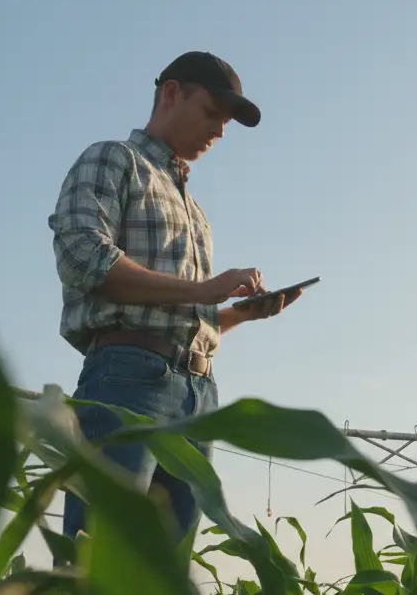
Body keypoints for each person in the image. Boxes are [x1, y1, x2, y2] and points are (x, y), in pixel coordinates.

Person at [47, 51, 303, 546]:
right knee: (99, 558)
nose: (221, 132)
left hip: (198, 394)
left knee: (165, 572)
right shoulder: (113, 159)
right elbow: (81, 256)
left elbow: (181, 316)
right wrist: (200, 290)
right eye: (213, 113)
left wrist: (236, 315)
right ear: (171, 93)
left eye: (227, 122)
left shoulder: (196, 210)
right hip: (128, 378)